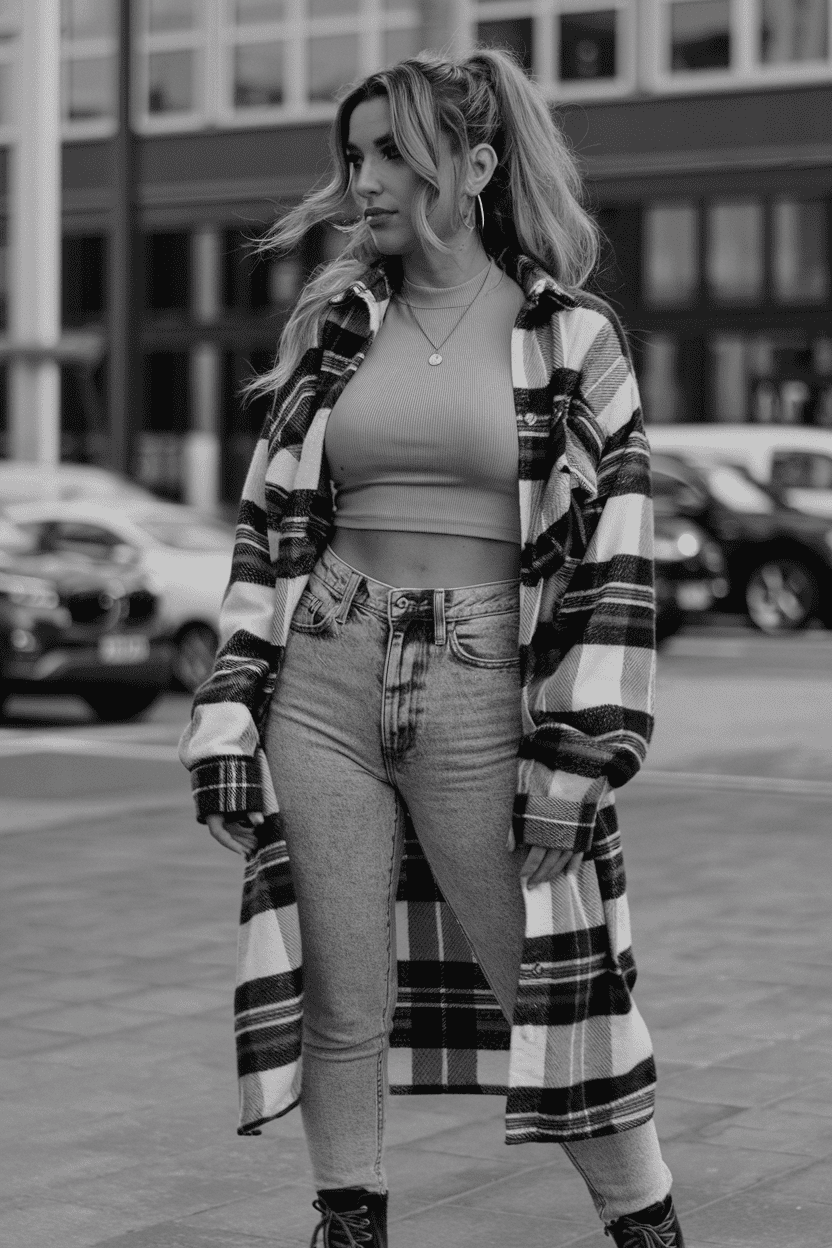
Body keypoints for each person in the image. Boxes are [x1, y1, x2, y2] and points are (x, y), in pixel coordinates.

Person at [179, 49, 685, 1248]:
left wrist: (579, 755)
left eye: (393, 154)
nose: (365, 181)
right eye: (353, 157)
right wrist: (227, 710)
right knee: (340, 994)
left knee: (551, 984)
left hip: (482, 689)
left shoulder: (569, 338)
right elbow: (268, 527)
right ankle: (348, 1221)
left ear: (474, 164)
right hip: (324, 676)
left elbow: (618, 554)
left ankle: (646, 1222)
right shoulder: (338, 324)